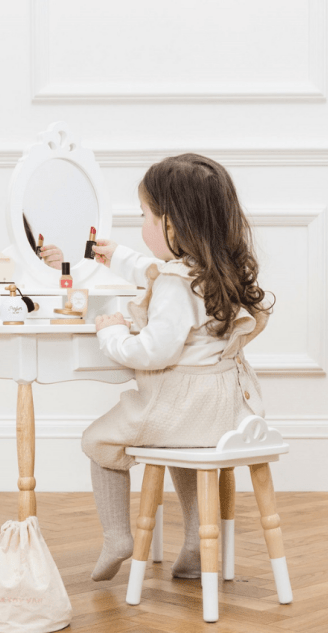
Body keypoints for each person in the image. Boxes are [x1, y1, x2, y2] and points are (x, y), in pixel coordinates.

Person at [83, 153, 273, 582]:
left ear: (172, 225)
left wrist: (112, 333)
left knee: (97, 441)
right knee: (186, 451)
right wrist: (118, 257)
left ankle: (117, 536)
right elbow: (157, 267)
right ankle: (193, 542)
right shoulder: (218, 270)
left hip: (181, 406)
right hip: (228, 414)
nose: (142, 225)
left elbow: (152, 352)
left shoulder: (173, 285)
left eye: (146, 216)